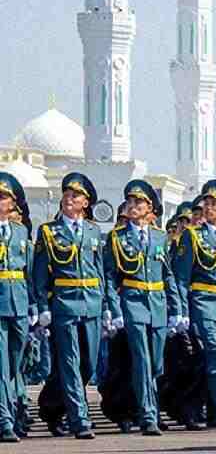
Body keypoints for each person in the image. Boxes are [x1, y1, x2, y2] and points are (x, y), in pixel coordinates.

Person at [33, 173, 121, 440]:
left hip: (92, 303)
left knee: (88, 364)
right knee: (70, 362)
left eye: (75, 196)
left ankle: (51, 405)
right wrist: (42, 305)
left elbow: (101, 271)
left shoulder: (94, 231)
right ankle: (79, 419)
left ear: (86, 202)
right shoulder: (49, 231)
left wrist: (106, 305)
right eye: (67, 195)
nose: (68, 199)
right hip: (64, 303)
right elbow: (39, 274)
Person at [103, 180, 181, 436]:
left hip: (157, 303)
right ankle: (148, 415)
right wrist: (115, 311)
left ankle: (149, 407)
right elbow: (111, 276)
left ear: (150, 208)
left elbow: (167, 274)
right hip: (133, 302)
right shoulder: (117, 237)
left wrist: (176, 308)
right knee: (142, 360)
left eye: (139, 202)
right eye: (130, 202)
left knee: (157, 363)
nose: (133, 206)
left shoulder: (160, 237)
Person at [172, 180, 216, 432]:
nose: (209, 207)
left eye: (215, 203)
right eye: (207, 203)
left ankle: (205, 409)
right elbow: (181, 277)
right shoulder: (192, 236)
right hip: (202, 303)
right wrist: (181, 311)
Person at [0, 173, 32, 443]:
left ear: (12, 202)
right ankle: (5, 421)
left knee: (15, 363)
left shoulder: (21, 232)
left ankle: (14, 408)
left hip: (19, 303)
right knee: (1, 365)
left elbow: (29, 271)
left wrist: (33, 305)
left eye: (3, 197)